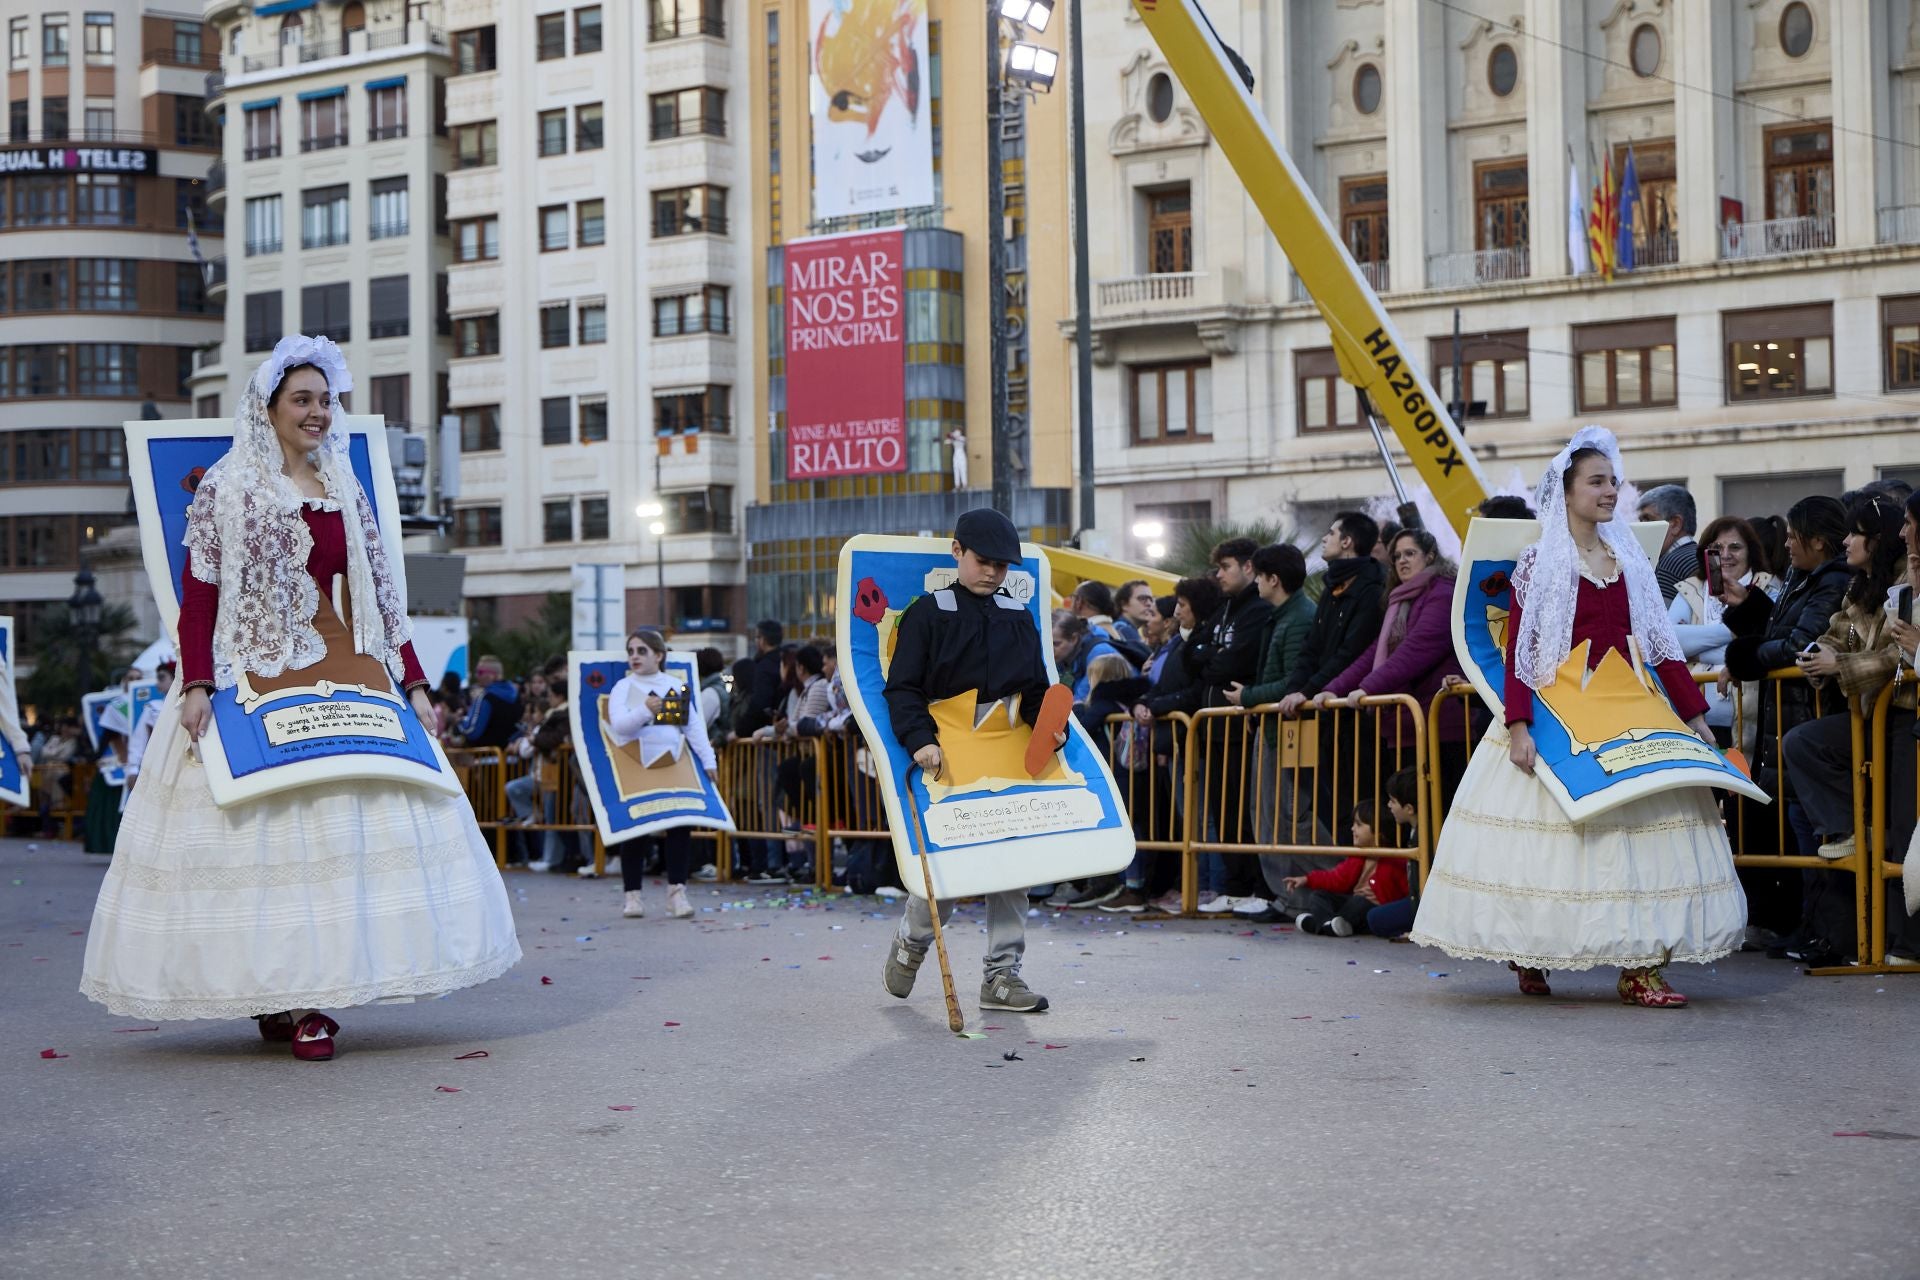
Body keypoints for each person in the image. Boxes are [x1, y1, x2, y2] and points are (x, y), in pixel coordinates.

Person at [80, 335, 520, 1059]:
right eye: (302, 400)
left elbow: (382, 597)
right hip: (249, 673)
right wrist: (195, 683)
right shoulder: (227, 486)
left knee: (347, 830)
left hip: (347, 666)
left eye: (326, 400)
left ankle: (314, 999)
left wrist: (412, 682)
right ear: (271, 407)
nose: (318, 413)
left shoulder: (344, 485)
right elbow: (200, 596)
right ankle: (280, 994)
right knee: (262, 835)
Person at [1410, 427, 1745, 1008]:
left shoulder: (1632, 559)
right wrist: (1518, 726)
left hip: (1630, 707)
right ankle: (1531, 949)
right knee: (1548, 848)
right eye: (1597, 481)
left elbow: (1661, 646)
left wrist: (1693, 716)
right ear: (1566, 493)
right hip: (1557, 711)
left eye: (1613, 480)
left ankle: (1642, 967)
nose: (1609, 490)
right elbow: (1519, 652)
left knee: (1647, 839)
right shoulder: (1539, 563)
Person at [880, 508, 1062, 1014]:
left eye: (1003, 566)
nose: (993, 573)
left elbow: (1034, 691)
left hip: (1007, 748)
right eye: (984, 561)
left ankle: (1003, 976)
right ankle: (911, 943)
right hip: (947, 747)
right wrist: (920, 740)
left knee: (1012, 865)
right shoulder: (927, 613)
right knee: (953, 862)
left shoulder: (1017, 615)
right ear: (956, 551)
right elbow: (902, 689)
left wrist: (1051, 729)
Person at [1716, 495, 1852, 942]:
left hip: (1808, 717)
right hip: (1783, 722)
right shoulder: (1803, 576)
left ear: (1818, 541)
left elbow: (1798, 644)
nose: (1787, 544)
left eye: (1795, 537)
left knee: (1809, 829)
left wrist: (1744, 657)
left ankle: (1823, 930)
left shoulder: (1833, 583)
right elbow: (1779, 631)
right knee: (1793, 826)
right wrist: (1749, 610)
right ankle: (1806, 926)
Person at [1136, 539, 1274, 914]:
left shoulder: (1257, 611)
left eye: (1225, 566)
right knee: (1220, 810)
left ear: (1248, 567)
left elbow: (1227, 662)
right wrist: (1211, 659)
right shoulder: (1226, 611)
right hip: (1211, 730)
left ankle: (1253, 888)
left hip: (1236, 728)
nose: (1219, 574)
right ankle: (1233, 886)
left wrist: (1211, 660)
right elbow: (1199, 656)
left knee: (1241, 810)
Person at [1315, 526, 1467, 798]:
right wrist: (1335, 688)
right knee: (1415, 819)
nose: (1402, 561)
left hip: (1439, 726)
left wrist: (1368, 688)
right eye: (1396, 556)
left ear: (1430, 556)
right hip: (1407, 723)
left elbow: (1417, 649)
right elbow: (1377, 650)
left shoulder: (1443, 592)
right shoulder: (1403, 598)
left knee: (1437, 816)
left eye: (1410, 553)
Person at [1277, 513, 1389, 847]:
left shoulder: (1372, 587)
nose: (1324, 538)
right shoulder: (1332, 587)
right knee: (1330, 801)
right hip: (1324, 711)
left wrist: (1310, 691)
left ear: (1347, 542)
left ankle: (1369, 882)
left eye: (1331, 532)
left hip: (1354, 714)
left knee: (1358, 799)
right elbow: (1311, 648)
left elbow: (1353, 652)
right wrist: (1294, 691)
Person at [1221, 543, 1316, 918]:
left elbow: (1292, 682)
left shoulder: (1300, 617)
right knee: (1270, 816)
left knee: (1291, 816)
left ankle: (1300, 897)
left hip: (1290, 733)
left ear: (1273, 579)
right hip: (1274, 730)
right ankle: (1286, 896)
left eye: (1259, 575)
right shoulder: (1283, 616)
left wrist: (1249, 697)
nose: (1256, 582)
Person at [606, 628, 717, 920]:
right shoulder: (623, 688)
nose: (634, 656)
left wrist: (709, 762)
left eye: (641, 651)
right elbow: (620, 725)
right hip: (636, 765)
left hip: (673, 763)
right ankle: (633, 896)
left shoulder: (674, 685)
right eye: (631, 651)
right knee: (637, 830)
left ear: (658, 655)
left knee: (679, 827)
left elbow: (693, 728)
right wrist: (645, 710)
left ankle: (676, 893)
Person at [1669, 516, 1780, 750]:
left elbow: (1767, 643)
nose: (1726, 554)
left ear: (1751, 552)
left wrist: (1697, 651)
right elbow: (1670, 641)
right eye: (1717, 548)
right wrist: (1735, 633)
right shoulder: (1690, 589)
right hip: (1697, 719)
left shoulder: (1770, 588)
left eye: (1735, 547)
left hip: (1751, 722)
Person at [1281, 801, 1410, 937]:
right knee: (1319, 896)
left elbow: (1407, 895)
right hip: (1352, 906)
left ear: (1378, 832)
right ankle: (1328, 924)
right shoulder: (1357, 856)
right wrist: (1307, 879)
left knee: (1359, 902)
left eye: (1359, 824)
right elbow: (1336, 878)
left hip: (1373, 911)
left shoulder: (1396, 860)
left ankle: (1318, 925)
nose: (1352, 829)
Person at [1637, 483, 1699, 605]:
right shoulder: (1702, 556)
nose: (1641, 526)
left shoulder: (1671, 564)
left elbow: (1660, 619)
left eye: (1648, 519)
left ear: (1675, 524)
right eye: (1641, 521)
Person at [455, 655, 520, 748]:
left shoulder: (485, 698)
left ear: (492, 675)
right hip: (512, 759)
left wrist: (459, 722)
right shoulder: (516, 696)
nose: (476, 675)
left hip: (483, 758)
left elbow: (471, 731)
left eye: (480, 672)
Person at [1113, 579, 1153, 650]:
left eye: (1151, 599)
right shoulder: (1123, 629)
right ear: (1124, 604)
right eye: (1142, 598)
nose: (1149, 603)